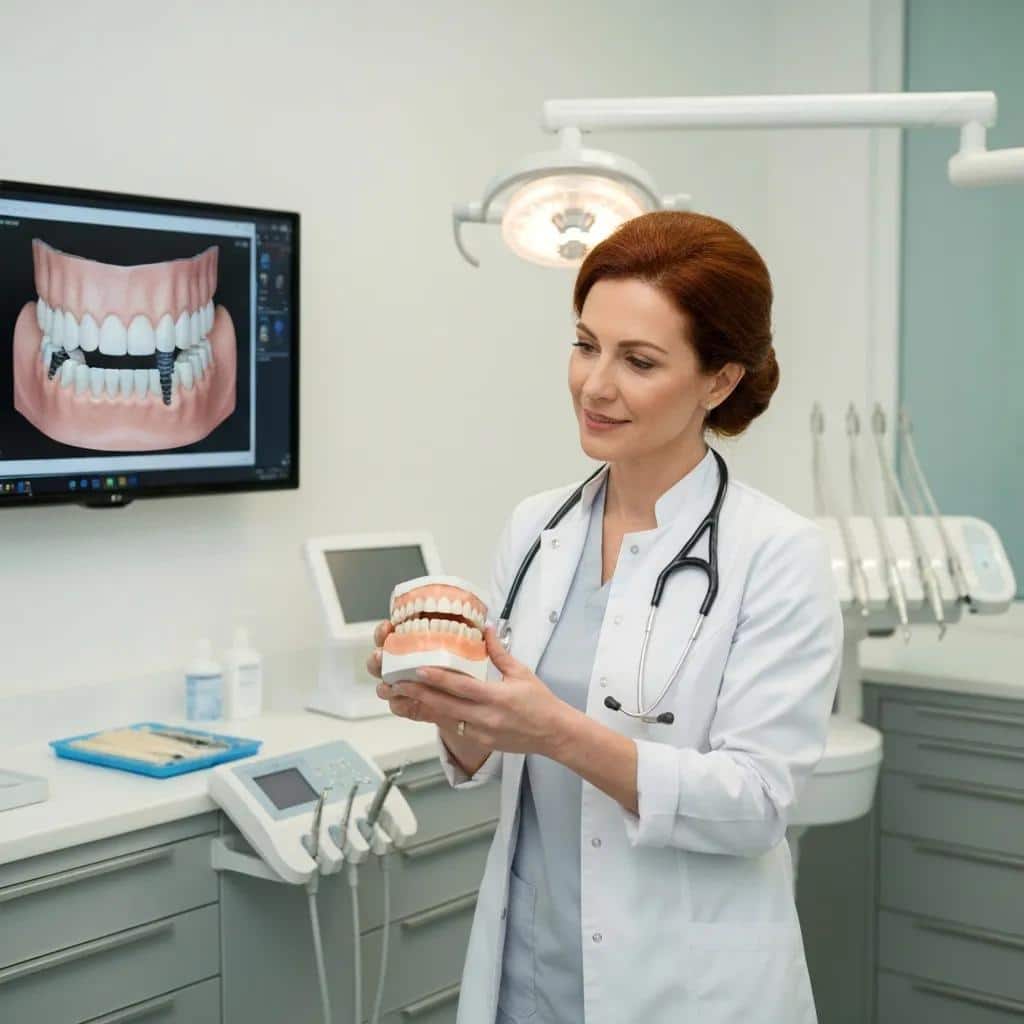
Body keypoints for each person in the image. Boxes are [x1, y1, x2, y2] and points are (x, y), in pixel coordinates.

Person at [367, 211, 842, 1024]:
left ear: (720, 380)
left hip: (683, 986)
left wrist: (554, 729)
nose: (596, 384)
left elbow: (757, 801)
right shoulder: (536, 530)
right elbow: (493, 750)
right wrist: (447, 701)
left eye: (639, 361)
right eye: (586, 345)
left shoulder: (777, 554)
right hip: (529, 971)